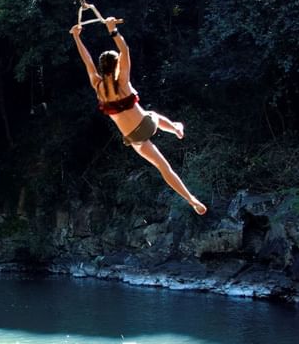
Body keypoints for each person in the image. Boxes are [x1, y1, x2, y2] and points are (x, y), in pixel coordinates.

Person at [71, 18, 207, 215]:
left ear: (102, 68)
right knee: (152, 115)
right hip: (147, 123)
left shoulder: (97, 85)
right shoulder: (123, 82)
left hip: (135, 139)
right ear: (116, 65)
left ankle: (191, 200)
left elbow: (88, 61)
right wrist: (113, 30)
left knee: (164, 168)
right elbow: (125, 51)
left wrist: (76, 37)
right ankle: (176, 128)